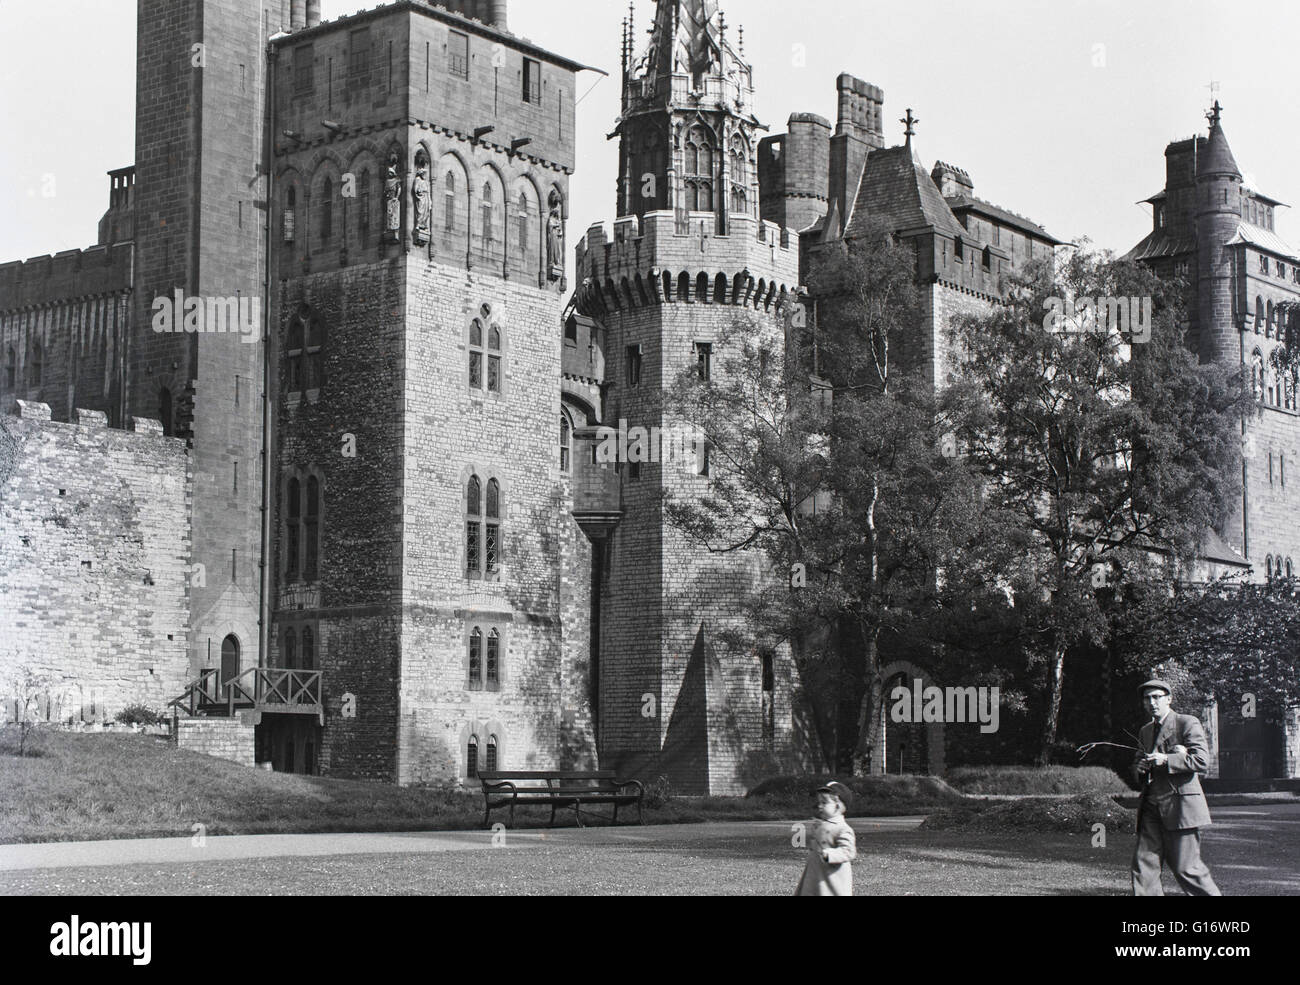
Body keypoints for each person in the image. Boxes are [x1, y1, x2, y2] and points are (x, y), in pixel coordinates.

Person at [1131, 679, 1221, 896]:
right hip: (1151, 806)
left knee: (1187, 868)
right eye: (1147, 698)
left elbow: (1201, 761)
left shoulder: (1186, 722)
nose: (1152, 702)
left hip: (1181, 806)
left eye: (1157, 697)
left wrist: (1166, 759)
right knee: (1144, 868)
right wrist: (1141, 768)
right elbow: (1136, 765)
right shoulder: (1145, 731)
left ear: (1169, 699)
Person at [795, 781, 857, 896]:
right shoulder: (823, 824)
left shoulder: (842, 828)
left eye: (824, 803)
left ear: (837, 806)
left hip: (831, 877)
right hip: (816, 874)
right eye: (819, 802)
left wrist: (830, 855)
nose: (820, 806)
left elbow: (849, 851)